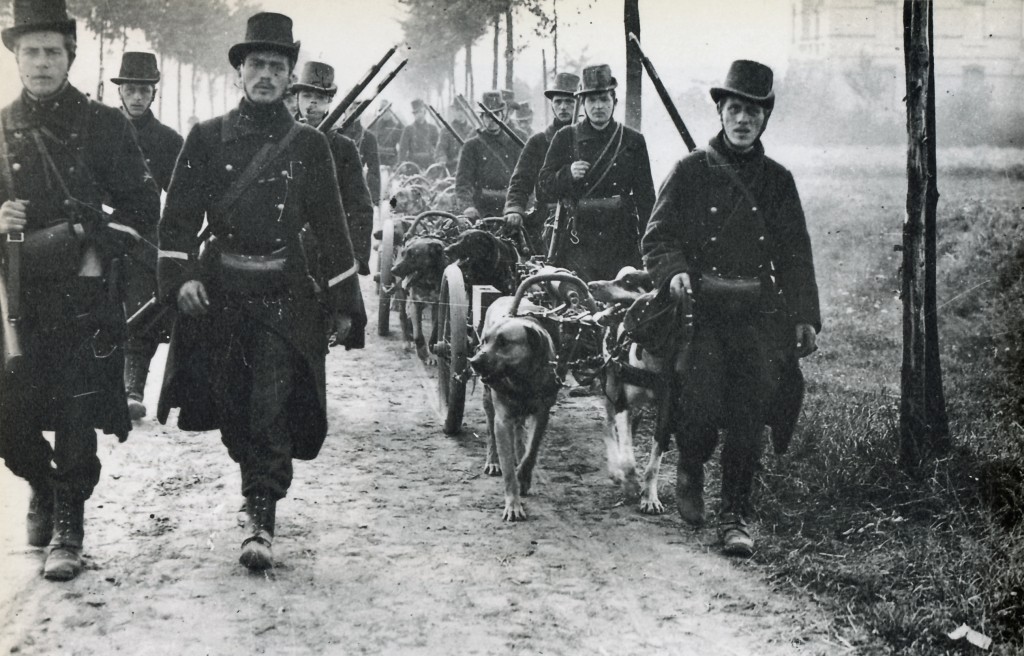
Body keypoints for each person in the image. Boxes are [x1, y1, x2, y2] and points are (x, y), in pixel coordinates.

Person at [157, 12, 366, 571]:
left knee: (270, 404)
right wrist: (183, 279)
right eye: (256, 64)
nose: (266, 75)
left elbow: (333, 229)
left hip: (285, 295)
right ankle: (253, 482)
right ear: (239, 72)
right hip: (222, 294)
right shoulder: (206, 138)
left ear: (290, 76)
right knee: (232, 405)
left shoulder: (309, 146)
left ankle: (260, 513)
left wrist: (344, 304)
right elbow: (176, 223)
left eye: (277, 66)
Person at [0, 0, 160, 581]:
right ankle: (41, 485)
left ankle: (69, 523)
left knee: (75, 408)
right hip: (16, 296)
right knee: (9, 416)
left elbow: (143, 208)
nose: (41, 62)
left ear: (70, 56)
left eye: (52, 51)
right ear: (15, 58)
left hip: (84, 293)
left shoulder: (104, 125)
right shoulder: (0, 126)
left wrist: (91, 233)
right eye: (31, 52)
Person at [641, 60, 821, 557]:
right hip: (701, 312)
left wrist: (804, 315)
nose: (743, 120)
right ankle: (690, 465)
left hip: (757, 315)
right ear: (720, 111)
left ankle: (735, 516)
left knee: (751, 409)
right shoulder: (690, 171)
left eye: (753, 112)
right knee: (699, 401)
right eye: (735, 109)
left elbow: (795, 254)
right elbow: (658, 237)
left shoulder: (778, 181)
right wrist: (673, 271)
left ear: (765, 118)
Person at [111, 51, 184, 420]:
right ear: (120, 91)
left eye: (144, 90)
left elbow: (184, 196)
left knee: (143, 309)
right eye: (130, 89)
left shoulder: (168, 140)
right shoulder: (101, 131)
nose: (137, 97)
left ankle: (132, 390)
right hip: (102, 233)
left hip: (144, 237)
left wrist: (176, 238)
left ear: (154, 93)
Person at [536, 64, 655, 282]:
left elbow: (645, 197)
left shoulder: (632, 140)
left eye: (604, 99)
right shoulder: (565, 137)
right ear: (583, 103)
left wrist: (648, 245)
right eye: (591, 100)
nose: (598, 106)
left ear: (614, 101)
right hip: (577, 239)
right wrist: (567, 174)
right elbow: (543, 188)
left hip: (621, 238)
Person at [291, 60, 374, 273]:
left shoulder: (344, 147)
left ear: (329, 102)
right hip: (283, 253)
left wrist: (356, 257)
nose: (312, 103)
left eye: (320, 98)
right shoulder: (279, 138)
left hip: (330, 254)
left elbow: (359, 205)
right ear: (297, 97)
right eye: (306, 96)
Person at [504, 72, 579, 253]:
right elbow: (520, 181)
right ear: (552, 104)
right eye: (558, 102)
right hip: (546, 220)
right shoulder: (538, 142)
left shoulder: (590, 141)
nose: (563, 107)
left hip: (584, 219)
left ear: (580, 102)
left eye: (569, 102)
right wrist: (514, 209)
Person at [455, 91, 521, 220]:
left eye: (496, 114)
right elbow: (463, 183)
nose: (492, 119)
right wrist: (467, 206)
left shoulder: (514, 144)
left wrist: (516, 209)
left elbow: (524, 181)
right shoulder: (471, 146)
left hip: (510, 208)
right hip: (479, 209)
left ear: (503, 115)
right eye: (487, 115)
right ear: (482, 118)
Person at [340, 100, 382, 210]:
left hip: (357, 193)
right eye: (351, 108)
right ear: (344, 110)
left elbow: (374, 170)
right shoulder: (334, 134)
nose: (354, 111)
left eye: (357, 108)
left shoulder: (369, 138)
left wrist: (374, 199)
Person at [397, 98, 438, 171]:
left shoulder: (433, 129)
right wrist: (402, 162)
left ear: (424, 112)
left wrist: (439, 160)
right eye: (415, 113)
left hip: (429, 164)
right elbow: (403, 148)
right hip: (413, 165)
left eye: (420, 112)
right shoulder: (408, 129)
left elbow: (438, 147)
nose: (418, 115)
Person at [433, 102, 471, 175]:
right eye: (457, 110)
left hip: (470, 169)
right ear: (453, 111)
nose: (460, 113)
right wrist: (442, 158)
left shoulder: (472, 131)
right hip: (452, 169)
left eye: (463, 110)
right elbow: (441, 149)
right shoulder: (446, 130)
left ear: (467, 111)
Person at [369, 103, 402, 168]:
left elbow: (400, 146)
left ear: (390, 111)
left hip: (392, 161)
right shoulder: (375, 125)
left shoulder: (396, 126)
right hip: (378, 160)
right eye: (382, 111)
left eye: (386, 111)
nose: (384, 113)